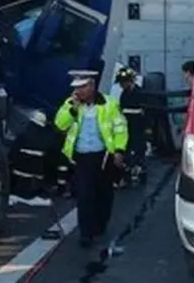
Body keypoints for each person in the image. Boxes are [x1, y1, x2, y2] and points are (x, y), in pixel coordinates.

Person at [54, 71, 129, 252]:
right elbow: (60, 124)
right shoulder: (70, 104)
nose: (79, 91)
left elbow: (120, 128)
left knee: (104, 194)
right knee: (85, 195)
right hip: (82, 157)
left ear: (92, 86)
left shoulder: (109, 104)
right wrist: (72, 109)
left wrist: (119, 150)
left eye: (82, 87)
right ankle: (85, 233)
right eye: (76, 88)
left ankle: (100, 225)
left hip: (103, 156)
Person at [115, 67, 148, 187]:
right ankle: (127, 176)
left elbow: (146, 112)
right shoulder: (124, 94)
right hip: (127, 126)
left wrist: (148, 129)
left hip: (138, 127)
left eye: (123, 82)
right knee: (127, 151)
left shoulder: (140, 93)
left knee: (138, 150)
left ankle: (140, 173)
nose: (121, 85)